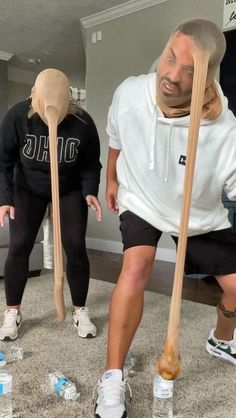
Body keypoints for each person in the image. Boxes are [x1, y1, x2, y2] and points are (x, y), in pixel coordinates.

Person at [94, 18, 236, 418]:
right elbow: (117, 139)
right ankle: (112, 378)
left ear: (207, 76)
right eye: (170, 57)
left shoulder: (225, 129)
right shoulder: (129, 93)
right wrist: (110, 178)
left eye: (189, 70)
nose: (171, 75)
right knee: (135, 267)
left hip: (196, 213)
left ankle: (222, 339)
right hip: (141, 199)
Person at [0, 69, 102, 341]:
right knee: (20, 245)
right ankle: (13, 311)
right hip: (27, 189)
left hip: (69, 190)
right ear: (34, 97)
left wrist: (90, 191)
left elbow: (91, 164)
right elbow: (4, 161)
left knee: (76, 246)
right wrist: (5, 199)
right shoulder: (18, 116)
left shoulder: (82, 123)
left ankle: (79, 309)